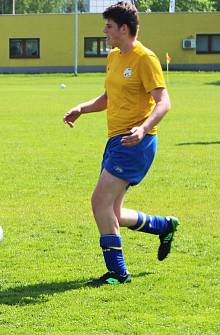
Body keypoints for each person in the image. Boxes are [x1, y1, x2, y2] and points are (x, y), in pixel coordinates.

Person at [62, 1, 179, 286]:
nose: (105, 31)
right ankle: (164, 226)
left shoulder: (145, 58)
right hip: (116, 140)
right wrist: (82, 108)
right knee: (112, 212)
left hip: (136, 141)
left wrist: (143, 128)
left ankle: (118, 272)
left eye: (109, 27)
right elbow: (107, 98)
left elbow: (164, 102)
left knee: (99, 201)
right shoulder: (114, 57)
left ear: (124, 29)